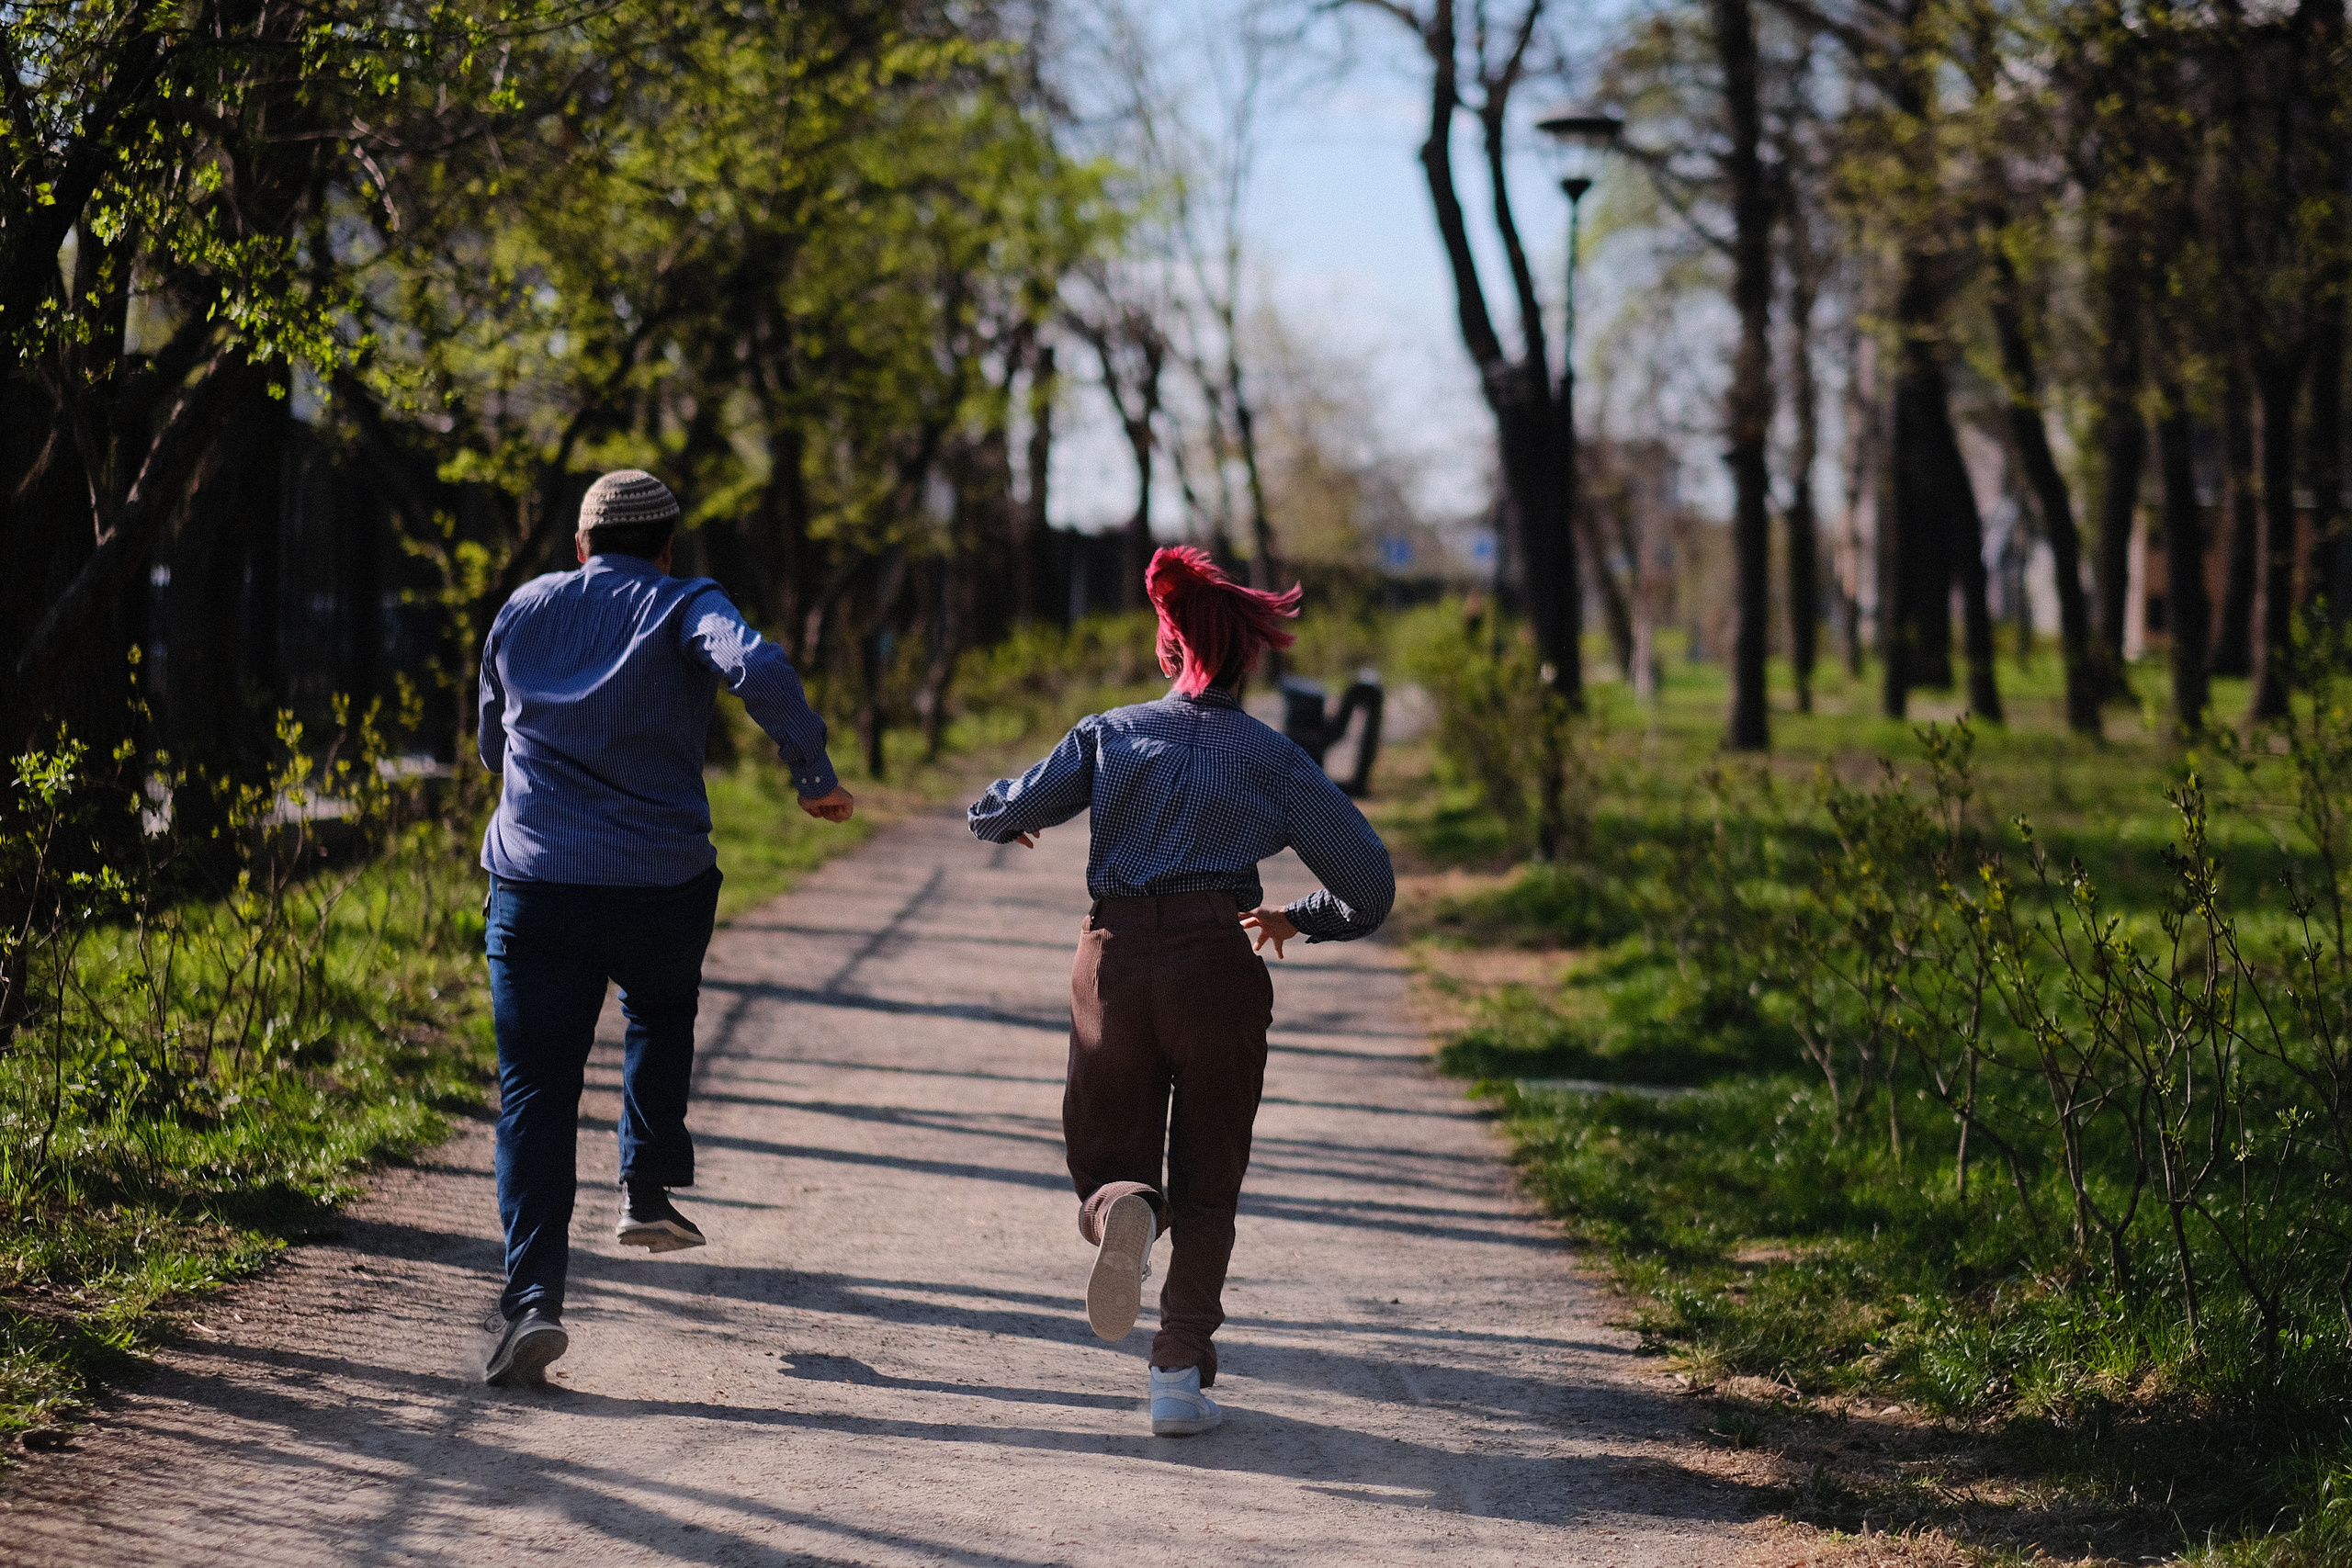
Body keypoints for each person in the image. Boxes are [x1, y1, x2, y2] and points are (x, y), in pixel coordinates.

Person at [966, 546, 1394, 1437]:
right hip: (1217, 965)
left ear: (1167, 650)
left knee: (1105, 1160)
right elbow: (1371, 885)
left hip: (1115, 962)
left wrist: (1007, 820)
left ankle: (1122, 1209)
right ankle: (1174, 1379)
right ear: (1248, 658)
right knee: (1209, 1183)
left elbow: (1007, 806)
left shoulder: (1109, 735)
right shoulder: (1272, 759)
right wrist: (1299, 918)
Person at [475, 469, 854, 1387]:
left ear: (579, 544)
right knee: (659, 1008)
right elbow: (756, 665)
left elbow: (491, 735)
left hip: (534, 884)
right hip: (657, 880)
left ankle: (533, 1301)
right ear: (669, 545)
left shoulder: (523, 608)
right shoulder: (687, 601)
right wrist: (812, 774)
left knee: (534, 1092)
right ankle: (645, 1188)